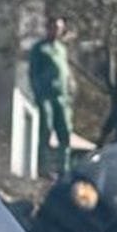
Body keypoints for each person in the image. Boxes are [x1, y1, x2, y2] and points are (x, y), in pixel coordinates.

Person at [28, 16, 76, 178]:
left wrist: (70, 87)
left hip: (61, 97)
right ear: (48, 28)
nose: (56, 31)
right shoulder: (39, 49)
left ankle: (65, 167)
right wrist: (38, 94)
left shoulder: (61, 48)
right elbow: (33, 73)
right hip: (46, 96)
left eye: (59, 28)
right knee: (45, 131)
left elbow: (65, 70)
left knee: (65, 131)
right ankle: (44, 168)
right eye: (53, 27)